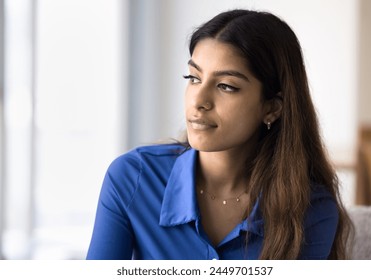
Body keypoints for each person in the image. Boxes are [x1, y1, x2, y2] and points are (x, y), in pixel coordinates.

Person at [86, 9, 352, 260]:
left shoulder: (310, 210)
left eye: (225, 86)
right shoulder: (133, 178)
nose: (198, 100)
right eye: (193, 78)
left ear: (272, 107)